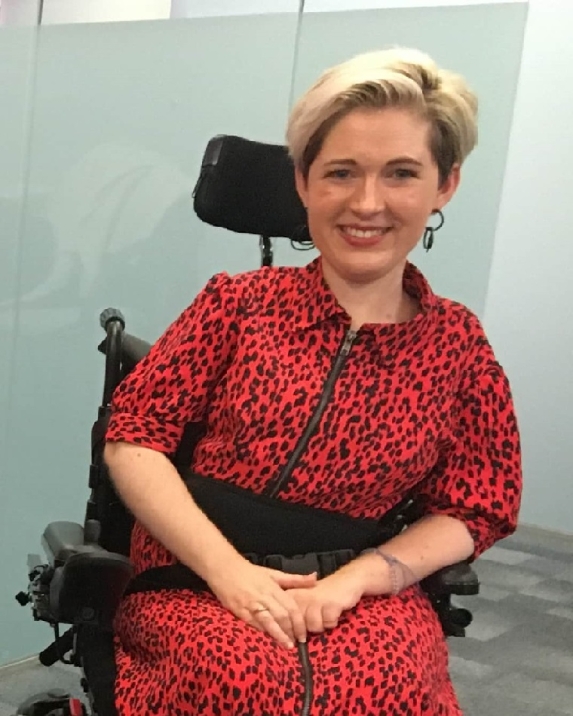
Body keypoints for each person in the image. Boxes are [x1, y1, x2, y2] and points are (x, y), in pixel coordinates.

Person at [104, 47, 522, 716]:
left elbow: (477, 505)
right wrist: (228, 573)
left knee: (379, 688)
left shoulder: (457, 344)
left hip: (357, 582)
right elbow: (133, 438)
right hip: (198, 575)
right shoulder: (236, 304)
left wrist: (360, 580)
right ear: (303, 182)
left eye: (401, 174)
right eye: (340, 172)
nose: (366, 203)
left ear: (444, 185)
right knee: (244, 682)